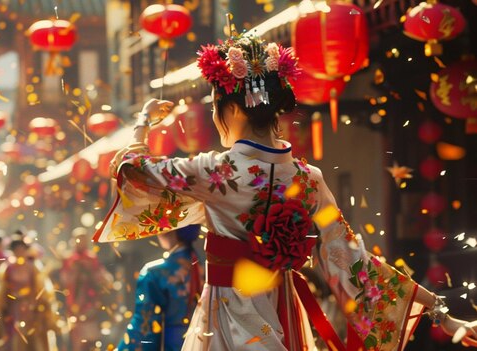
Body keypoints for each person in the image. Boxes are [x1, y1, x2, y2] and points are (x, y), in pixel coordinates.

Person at [93, 33, 477, 350]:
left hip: (228, 315)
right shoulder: (308, 179)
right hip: (283, 310)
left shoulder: (215, 171)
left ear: (230, 109)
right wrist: (440, 312)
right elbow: (351, 260)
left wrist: (143, 122)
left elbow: (134, 170)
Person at [117, 224, 204, 351]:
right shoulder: (201, 266)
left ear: (168, 230)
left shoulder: (154, 273)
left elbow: (144, 325)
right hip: (201, 342)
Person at [0, 234, 57, 351]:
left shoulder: (32, 266)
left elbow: (40, 286)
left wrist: (39, 303)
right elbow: (2, 289)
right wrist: (2, 305)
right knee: (16, 337)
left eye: (22, 249)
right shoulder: (7, 267)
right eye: (17, 249)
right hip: (14, 308)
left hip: (31, 307)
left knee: (34, 336)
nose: (19, 252)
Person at [60, 227, 113, 351]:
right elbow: (64, 280)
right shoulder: (69, 259)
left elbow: (101, 277)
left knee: (91, 336)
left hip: (91, 302)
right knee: (76, 336)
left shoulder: (91, 258)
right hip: (74, 303)